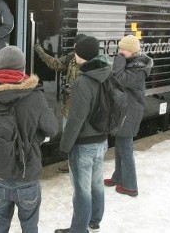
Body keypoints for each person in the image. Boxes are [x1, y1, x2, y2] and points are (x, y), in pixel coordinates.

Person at [0, 45, 58, 233]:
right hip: (26, 176)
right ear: (22, 69)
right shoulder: (35, 97)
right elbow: (52, 129)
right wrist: (34, 136)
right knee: (29, 226)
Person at [56, 36, 109, 233]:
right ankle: (95, 219)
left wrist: (64, 146)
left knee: (81, 190)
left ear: (82, 55)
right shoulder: (106, 74)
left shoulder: (83, 82)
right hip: (101, 139)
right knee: (97, 182)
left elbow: (75, 119)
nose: (75, 55)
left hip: (84, 143)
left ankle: (78, 229)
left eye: (77, 52)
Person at [103, 35, 152, 196]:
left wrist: (118, 60)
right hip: (125, 110)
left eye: (123, 49)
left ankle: (131, 186)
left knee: (125, 148)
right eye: (120, 49)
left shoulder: (138, 69)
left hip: (130, 112)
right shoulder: (133, 64)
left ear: (131, 51)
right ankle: (118, 177)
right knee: (120, 145)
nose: (120, 52)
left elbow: (118, 79)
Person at [34, 33, 87, 173]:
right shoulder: (71, 58)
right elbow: (56, 64)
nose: (75, 48)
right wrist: (40, 51)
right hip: (68, 105)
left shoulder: (91, 64)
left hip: (81, 105)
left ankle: (77, 164)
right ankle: (71, 162)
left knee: (78, 135)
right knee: (69, 134)